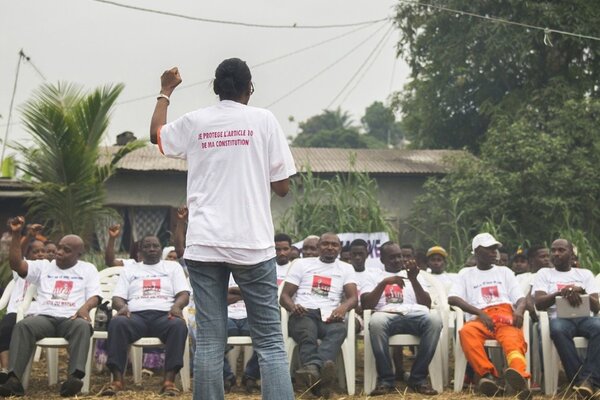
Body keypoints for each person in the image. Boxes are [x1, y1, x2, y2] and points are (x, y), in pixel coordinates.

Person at [150, 58, 296, 400]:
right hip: (252, 245)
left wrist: (165, 91)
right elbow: (283, 187)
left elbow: (156, 135)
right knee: (271, 343)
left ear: (216, 89)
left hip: (204, 245)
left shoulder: (196, 121)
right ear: (250, 88)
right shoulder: (264, 120)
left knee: (211, 343)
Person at [0, 217, 101, 398]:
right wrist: (16, 234)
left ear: (78, 254)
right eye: (59, 247)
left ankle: (74, 378)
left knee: (83, 326)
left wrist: (85, 308)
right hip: (44, 317)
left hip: (71, 318)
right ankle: (14, 380)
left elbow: (95, 296)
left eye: (66, 250)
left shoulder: (88, 269)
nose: (59, 252)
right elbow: (16, 265)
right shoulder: (44, 266)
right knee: (23, 325)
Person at [99, 235, 190, 396]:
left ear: (161, 249)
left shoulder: (172, 267)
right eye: (147, 246)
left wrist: (177, 307)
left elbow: (183, 293)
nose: (152, 249)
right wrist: (121, 307)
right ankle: (117, 380)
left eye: (155, 246)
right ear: (140, 251)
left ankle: (168, 381)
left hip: (164, 316)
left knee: (178, 325)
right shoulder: (131, 269)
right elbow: (117, 298)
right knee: (117, 323)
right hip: (135, 317)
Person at [448, 233, 530, 399]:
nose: (495, 252)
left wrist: (519, 311)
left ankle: (519, 379)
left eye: (495, 249)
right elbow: (453, 298)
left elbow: (521, 298)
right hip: (479, 317)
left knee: (512, 339)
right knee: (466, 333)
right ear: (477, 251)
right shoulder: (465, 273)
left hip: (504, 314)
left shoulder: (505, 272)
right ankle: (487, 376)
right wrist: (479, 313)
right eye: (490, 249)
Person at [279, 233, 357, 398]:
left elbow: (353, 298)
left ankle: (313, 370)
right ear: (318, 247)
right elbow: (284, 296)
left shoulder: (346, 268)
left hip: (331, 316)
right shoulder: (301, 264)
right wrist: (293, 307)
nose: (330, 247)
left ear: (340, 248)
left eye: (334, 245)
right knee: (307, 334)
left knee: (339, 331)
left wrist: (343, 308)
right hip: (304, 313)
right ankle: (321, 381)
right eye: (325, 244)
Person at [361, 242, 441, 395]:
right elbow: (366, 304)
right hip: (387, 314)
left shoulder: (415, 274)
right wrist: (384, 283)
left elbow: (427, 304)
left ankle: (418, 378)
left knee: (435, 321)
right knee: (376, 322)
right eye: (392, 257)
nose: (398, 260)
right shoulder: (372, 275)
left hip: (415, 315)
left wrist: (414, 280)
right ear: (382, 259)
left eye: (400, 256)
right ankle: (386, 379)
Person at [533, 239, 600, 398]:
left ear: (572, 255)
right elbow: (539, 303)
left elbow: (596, 307)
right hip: (559, 319)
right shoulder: (544, 273)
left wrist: (582, 291)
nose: (556, 253)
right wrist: (560, 292)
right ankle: (584, 382)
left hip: (584, 318)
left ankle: (586, 381)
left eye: (561, 250)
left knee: (599, 327)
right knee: (556, 330)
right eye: (553, 250)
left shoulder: (584, 274)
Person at [0, 238, 47, 383]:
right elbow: (16, 255)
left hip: (37, 313)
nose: (40, 254)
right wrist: (27, 236)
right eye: (35, 251)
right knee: (6, 327)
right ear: (27, 253)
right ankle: (5, 369)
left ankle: (13, 372)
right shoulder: (20, 268)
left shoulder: (48, 269)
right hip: (16, 310)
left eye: (42, 251)